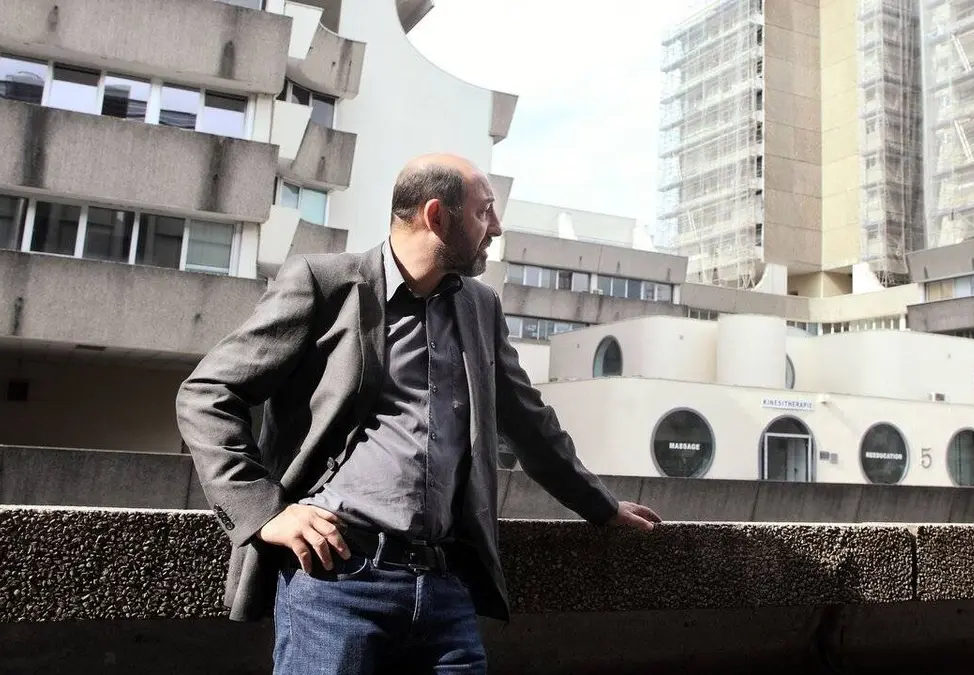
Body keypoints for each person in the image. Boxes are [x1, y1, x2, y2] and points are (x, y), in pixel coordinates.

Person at [176, 153, 662, 674]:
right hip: (335, 585)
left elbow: (527, 420)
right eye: (484, 211)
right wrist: (265, 511)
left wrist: (601, 506)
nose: (496, 227)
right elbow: (207, 393)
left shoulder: (480, 306)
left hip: (447, 589)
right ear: (436, 216)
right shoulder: (325, 284)